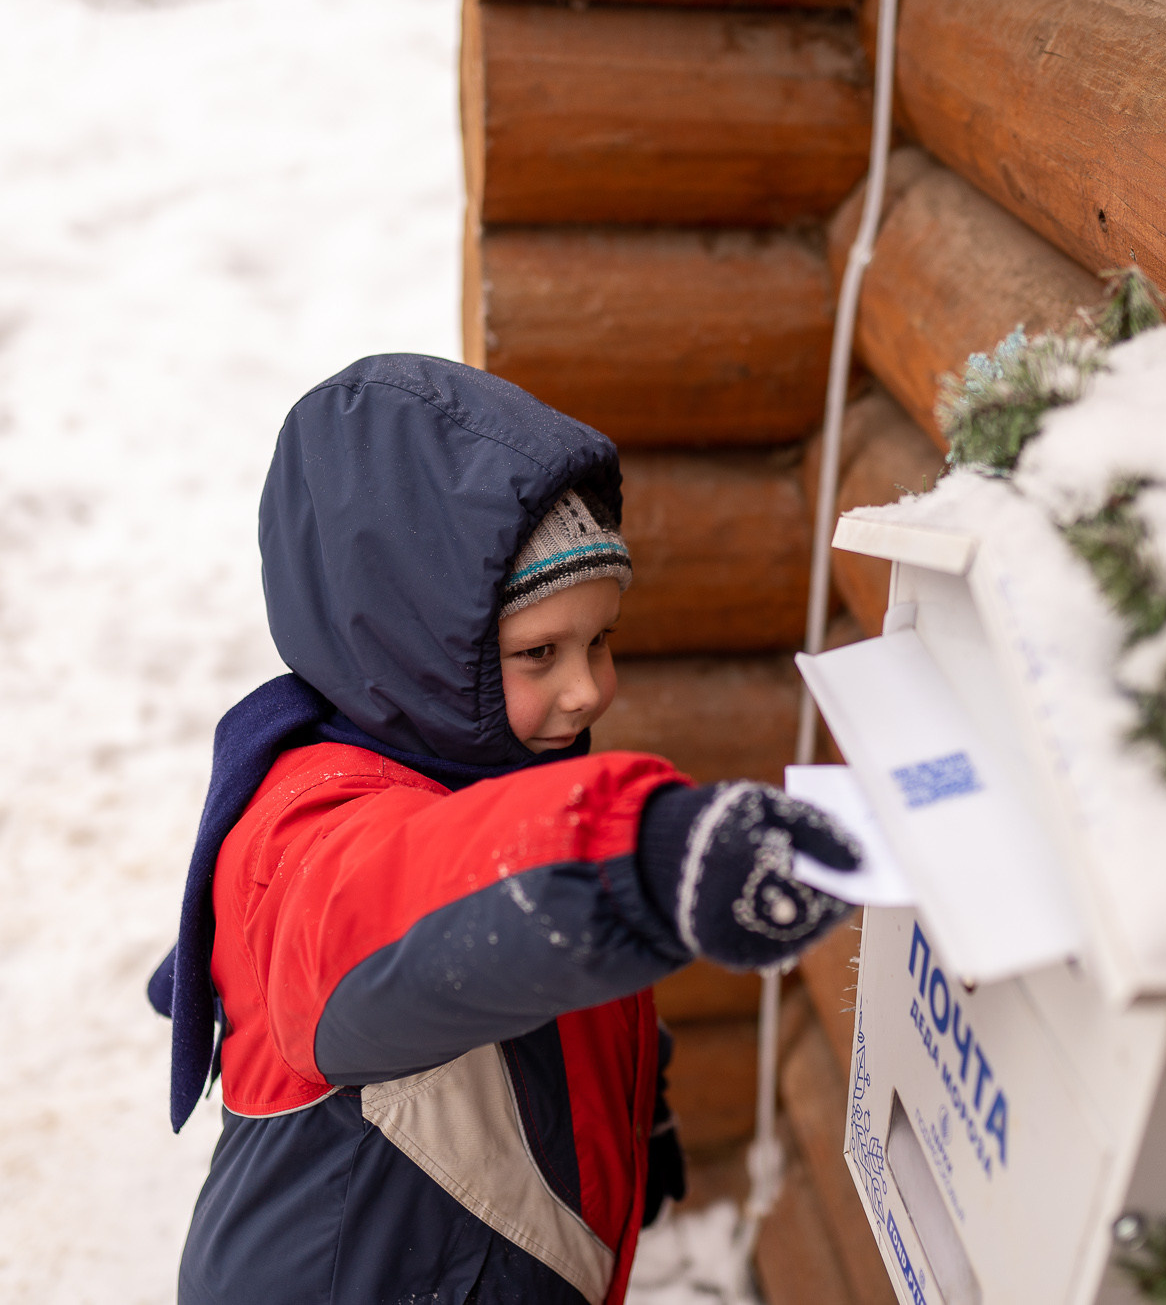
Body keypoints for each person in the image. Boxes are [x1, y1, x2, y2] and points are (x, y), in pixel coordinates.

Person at [146, 354, 861, 1305]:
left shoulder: (495, 769)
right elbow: (430, 899)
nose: (591, 687)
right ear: (409, 648)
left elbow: (547, 968)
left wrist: (633, 1119)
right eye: (540, 653)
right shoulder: (312, 828)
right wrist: (640, 856)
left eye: (600, 639)